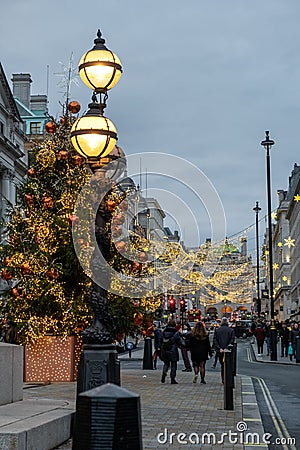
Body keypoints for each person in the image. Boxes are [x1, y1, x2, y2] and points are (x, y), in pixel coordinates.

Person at [213, 317, 235, 383]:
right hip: (228, 351)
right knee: (228, 365)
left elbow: (215, 340)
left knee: (222, 365)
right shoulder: (231, 330)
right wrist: (227, 348)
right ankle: (228, 379)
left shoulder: (217, 330)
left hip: (220, 351)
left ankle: (223, 378)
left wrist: (219, 348)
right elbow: (232, 340)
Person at [160, 320, 182, 384]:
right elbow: (179, 341)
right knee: (173, 365)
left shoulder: (164, 332)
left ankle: (164, 374)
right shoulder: (176, 333)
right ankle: (172, 379)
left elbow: (161, 340)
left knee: (166, 364)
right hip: (173, 350)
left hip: (165, 349)